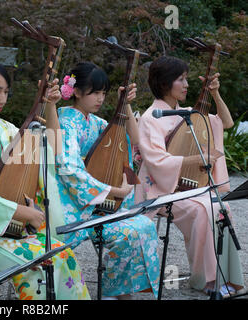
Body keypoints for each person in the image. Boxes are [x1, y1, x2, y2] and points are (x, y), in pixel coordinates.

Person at [0, 42, 90, 300]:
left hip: (9, 226)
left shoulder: (1, 126)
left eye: (5, 92)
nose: (2, 99)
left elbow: (53, 147)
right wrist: (23, 211)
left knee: (61, 254)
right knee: (41, 264)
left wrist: (49, 105)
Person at [135, 55, 245, 296]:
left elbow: (225, 123)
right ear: (164, 84)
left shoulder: (187, 113)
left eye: (186, 79)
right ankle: (205, 280)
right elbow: (156, 161)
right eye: (181, 79)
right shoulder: (149, 118)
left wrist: (215, 94)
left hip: (189, 188)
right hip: (161, 190)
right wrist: (196, 160)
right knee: (203, 209)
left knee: (220, 208)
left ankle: (228, 278)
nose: (186, 85)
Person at [55, 62, 160, 299]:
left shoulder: (95, 122)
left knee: (142, 225)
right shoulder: (66, 121)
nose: (100, 98)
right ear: (77, 91)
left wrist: (127, 104)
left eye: (103, 93)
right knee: (128, 232)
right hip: (73, 206)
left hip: (97, 202)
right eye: (95, 92)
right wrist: (115, 191)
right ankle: (117, 293)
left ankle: (118, 292)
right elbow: (69, 168)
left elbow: (132, 139)